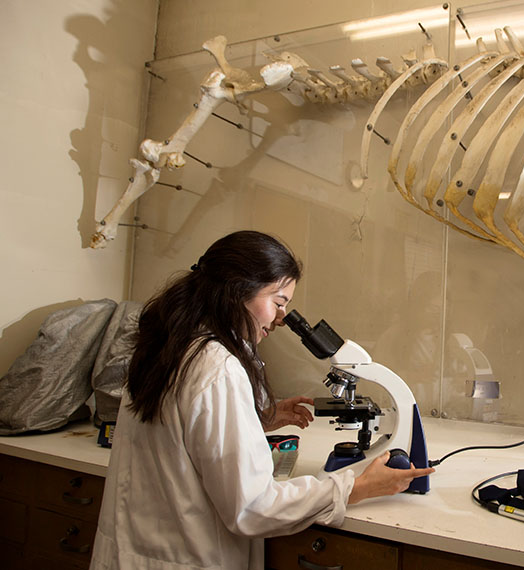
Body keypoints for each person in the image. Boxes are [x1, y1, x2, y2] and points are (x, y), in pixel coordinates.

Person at [90, 231, 434, 570]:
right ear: (237, 292)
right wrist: (355, 488)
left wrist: (252, 421)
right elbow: (253, 508)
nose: (282, 318)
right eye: (278, 303)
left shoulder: (169, 345)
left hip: (130, 551)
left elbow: (177, 436)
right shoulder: (217, 368)